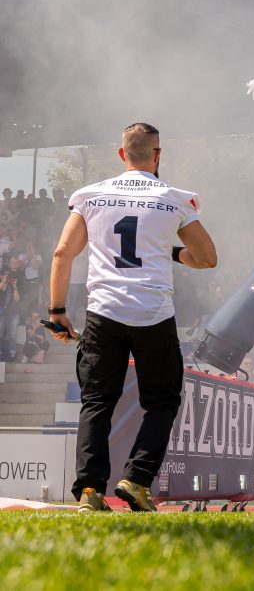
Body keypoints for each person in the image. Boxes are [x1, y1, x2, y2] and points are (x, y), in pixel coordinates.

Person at [47, 123, 217, 513]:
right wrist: (170, 252)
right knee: (161, 402)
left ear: (121, 154)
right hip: (153, 313)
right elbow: (207, 258)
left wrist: (57, 312)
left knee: (96, 402)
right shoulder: (174, 198)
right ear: (157, 155)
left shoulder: (90, 196)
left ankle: (90, 491)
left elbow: (61, 254)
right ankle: (137, 480)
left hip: (103, 312)